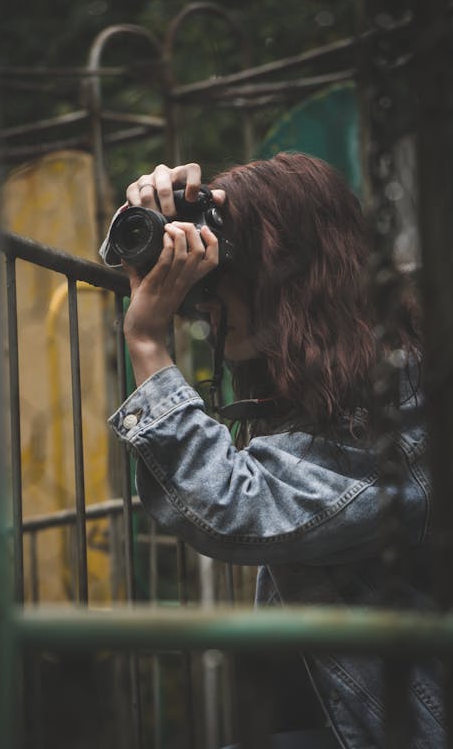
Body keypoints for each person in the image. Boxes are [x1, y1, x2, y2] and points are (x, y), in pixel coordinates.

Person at [101, 154, 443, 748]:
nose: (205, 306)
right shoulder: (330, 381)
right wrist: (147, 216)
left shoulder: (398, 403)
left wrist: (149, 343)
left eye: (220, 282)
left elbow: (235, 506)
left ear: (282, 275)